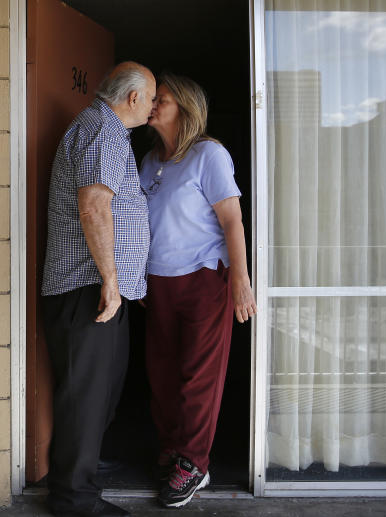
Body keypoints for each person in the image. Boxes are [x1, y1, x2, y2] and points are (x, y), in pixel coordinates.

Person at [41, 61, 156, 517]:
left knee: (100, 396)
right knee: (85, 400)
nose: (152, 107)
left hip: (103, 289)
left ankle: (81, 483)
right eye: (151, 98)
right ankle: (74, 502)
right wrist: (110, 280)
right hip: (87, 288)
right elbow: (93, 207)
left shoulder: (106, 131)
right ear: (132, 99)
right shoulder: (101, 133)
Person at [139, 73, 257, 508]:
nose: (152, 104)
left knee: (197, 375)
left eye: (161, 99)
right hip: (160, 281)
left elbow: (232, 222)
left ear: (185, 109)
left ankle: (194, 463)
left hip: (205, 279)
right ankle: (173, 448)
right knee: (162, 373)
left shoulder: (209, 154)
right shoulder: (151, 160)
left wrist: (240, 281)